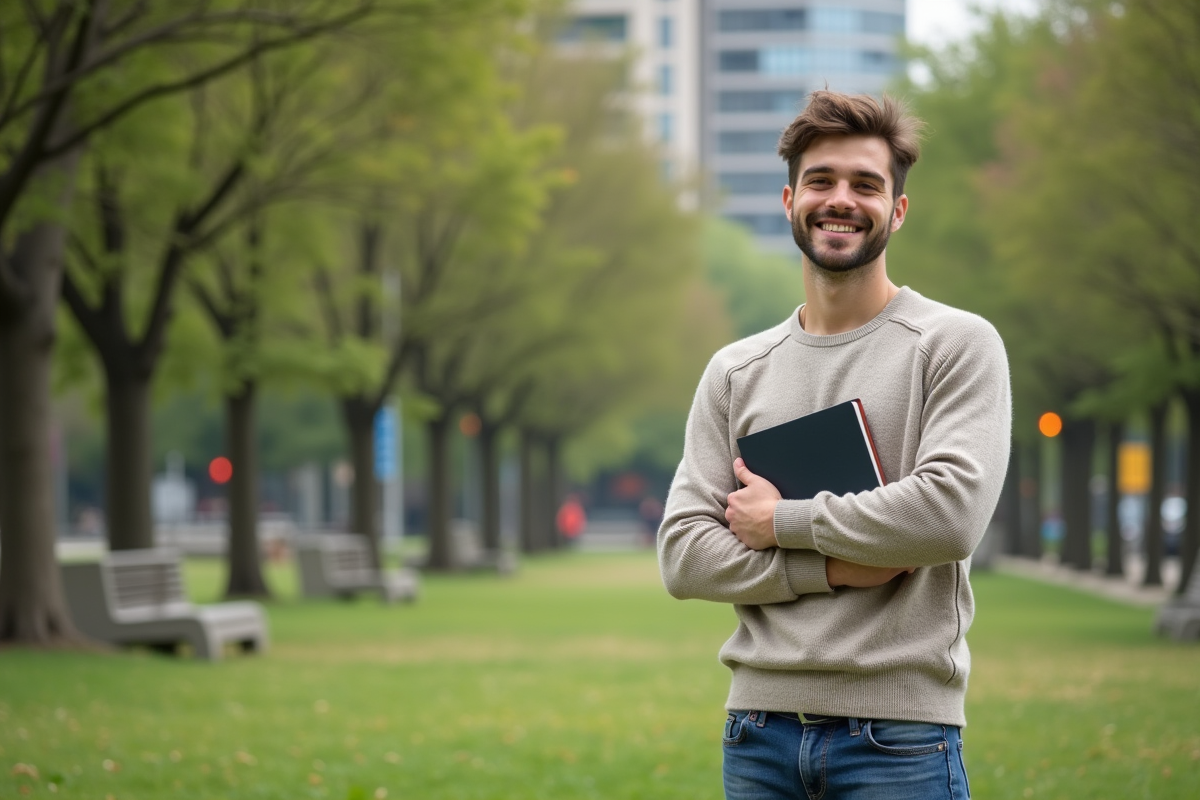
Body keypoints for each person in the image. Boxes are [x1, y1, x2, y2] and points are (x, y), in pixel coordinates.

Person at [658, 90, 1011, 800]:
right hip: (755, 734)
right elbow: (683, 554)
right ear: (791, 199)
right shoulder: (735, 370)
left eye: (865, 184)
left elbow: (948, 516)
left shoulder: (954, 345)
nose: (840, 200)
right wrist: (833, 570)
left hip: (900, 739)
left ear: (898, 210)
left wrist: (778, 522)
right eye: (821, 181)